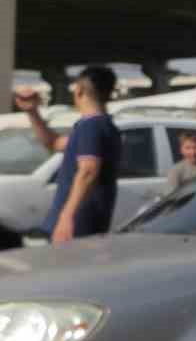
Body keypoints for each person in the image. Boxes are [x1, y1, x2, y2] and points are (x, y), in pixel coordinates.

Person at [17, 65, 123, 243]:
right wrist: (32, 112)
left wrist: (67, 217)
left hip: (77, 226)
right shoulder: (100, 126)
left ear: (79, 90)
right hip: (81, 225)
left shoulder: (92, 125)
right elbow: (54, 143)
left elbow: (88, 170)